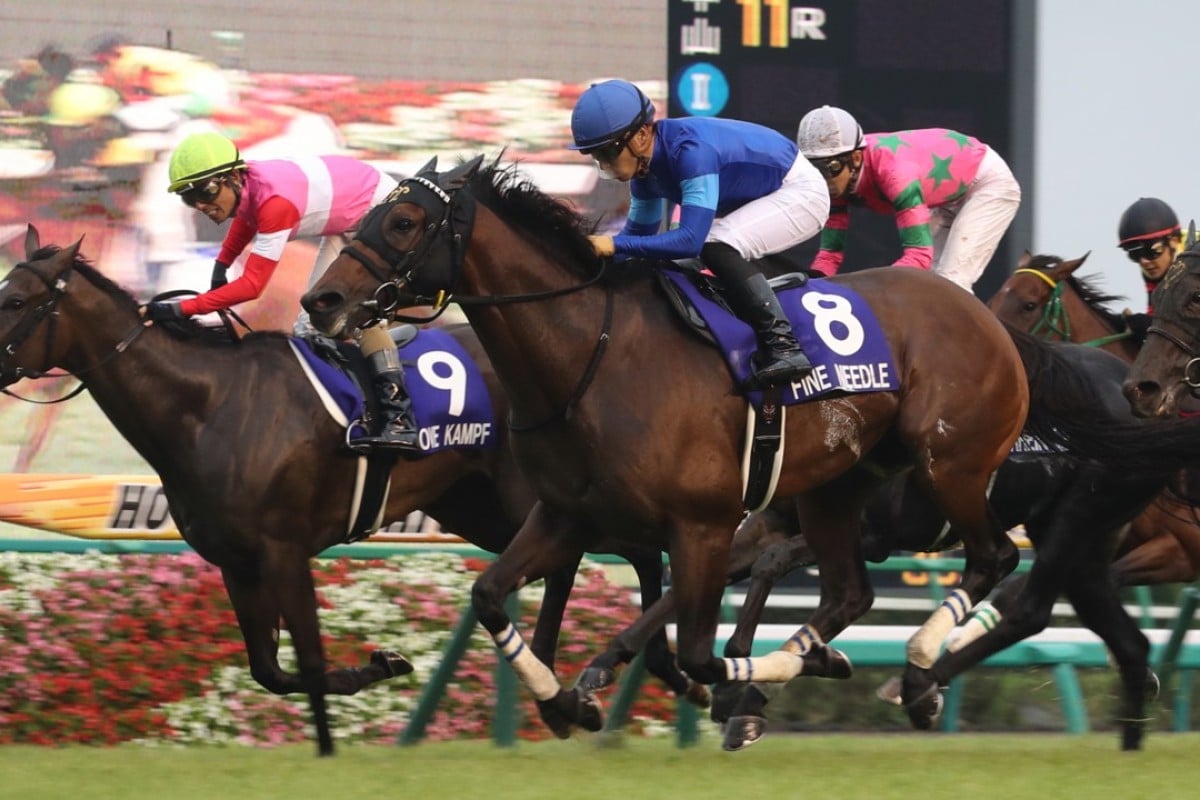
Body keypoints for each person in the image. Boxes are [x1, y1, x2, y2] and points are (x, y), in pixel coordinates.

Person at [142, 131, 418, 452]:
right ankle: (353, 399)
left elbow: (252, 287)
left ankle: (399, 420)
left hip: (376, 215)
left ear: (232, 177)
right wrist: (222, 264)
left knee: (337, 318)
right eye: (189, 198)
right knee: (312, 325)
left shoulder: (275, 203)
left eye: (204, 191)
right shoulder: (248, 184)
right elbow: (246, 218)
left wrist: (182, 309)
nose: (201, 205)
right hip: (355, 210)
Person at [569, 79, 830, 387]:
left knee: (713, 244)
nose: (602, 163)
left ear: (640, 136)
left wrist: (609, 244)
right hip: (763, 196)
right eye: (595, 155)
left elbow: (690, 240)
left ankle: (784, 345)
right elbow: (636, 241)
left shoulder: (691, 151)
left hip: (801, 192)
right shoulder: (644, 172)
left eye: (607, 152)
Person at [795, 105, 1021, 294]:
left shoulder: (894, 173)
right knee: (929, 285)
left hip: (987, 183)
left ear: (855, 158)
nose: (823, 180)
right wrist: (810, 289)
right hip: (945, 198)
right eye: (814, 168)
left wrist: (870, 291)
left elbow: (918, 255)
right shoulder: (835, 182)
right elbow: (830, 256)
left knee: (952, 280)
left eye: (830, 167)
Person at [1116, 197, 1181, 343]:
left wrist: (1150, 325)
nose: (1144, 261)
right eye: (1135, 254)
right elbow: (1157, 314)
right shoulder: (1155, 268)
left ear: (1174, 241)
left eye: (1151, 250)